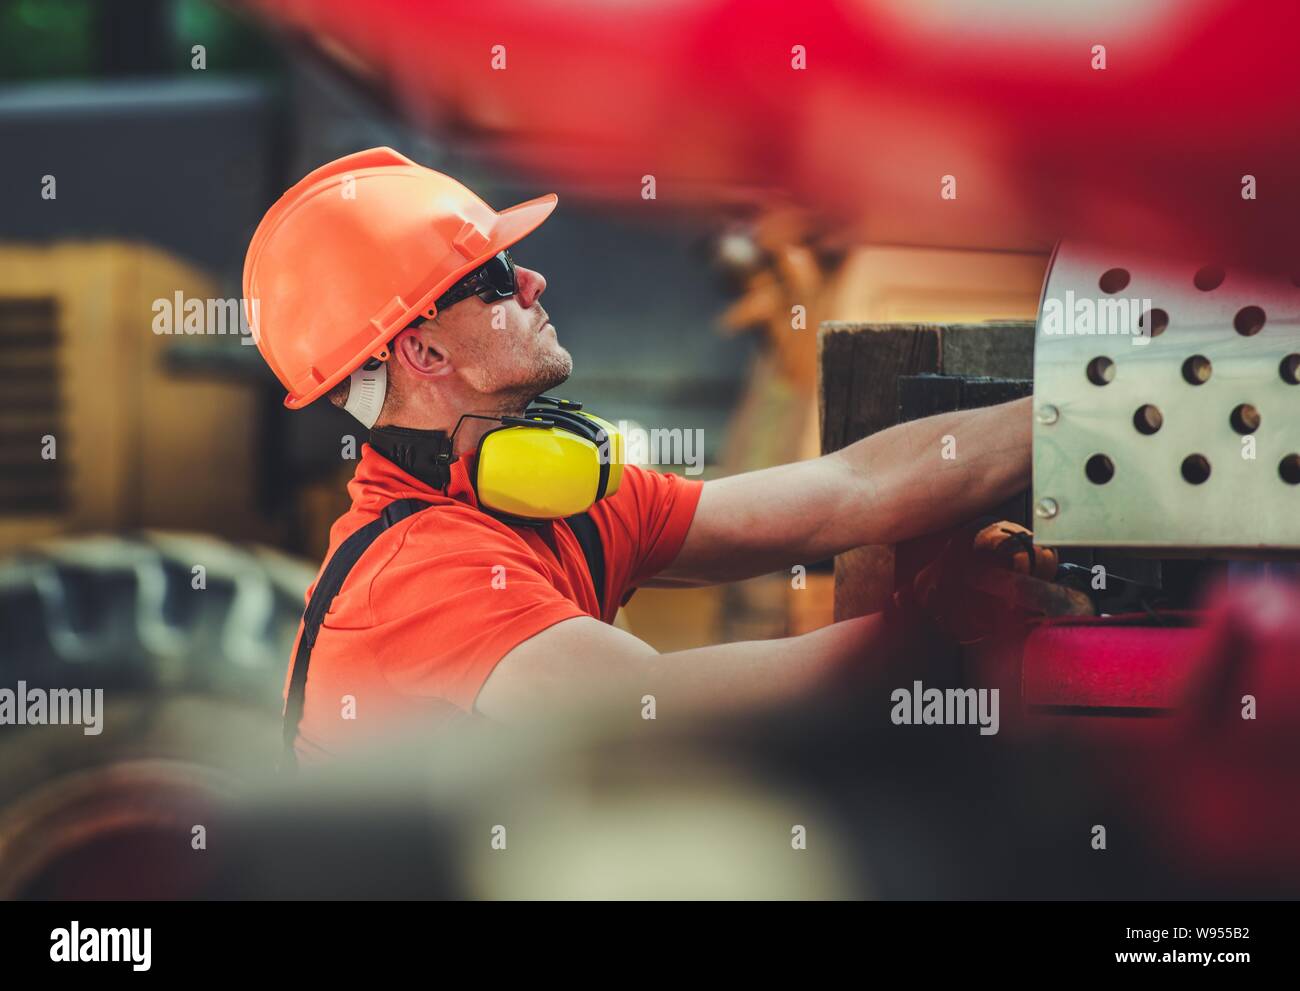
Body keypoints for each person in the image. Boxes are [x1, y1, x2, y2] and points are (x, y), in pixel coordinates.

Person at [243, 147, 1031, 764]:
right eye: (491, 275)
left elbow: (848, 488)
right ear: (421, 350)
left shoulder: (545, 490)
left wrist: (1066, 419)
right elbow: (654, 697)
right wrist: (928, 630)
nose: (533, 281)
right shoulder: (417, 571)